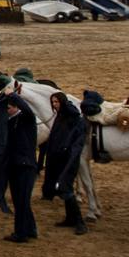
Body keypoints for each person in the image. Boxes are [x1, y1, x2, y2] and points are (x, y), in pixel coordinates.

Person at [42, 91, 88, 234]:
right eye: (53, 102)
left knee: (66, 190)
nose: (55, 105)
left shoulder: (73, 119)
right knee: (63, 190)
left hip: (68, 161)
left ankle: (80, 222)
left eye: (57, 102)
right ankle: (70, 219)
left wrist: (68, 156)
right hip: (57, 159)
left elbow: (76, 142)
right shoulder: (60, 117)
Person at [0, 91, 39, 242]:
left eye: (9, 108)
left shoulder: (26, 118)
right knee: (20, 200)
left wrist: (13, 96)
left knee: (21, 200)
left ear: (16, 108)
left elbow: (27, 109)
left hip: (25, 166)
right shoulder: (9, 122)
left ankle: (20, 233)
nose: (6, 111)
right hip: (15, 165)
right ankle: (31, 229)